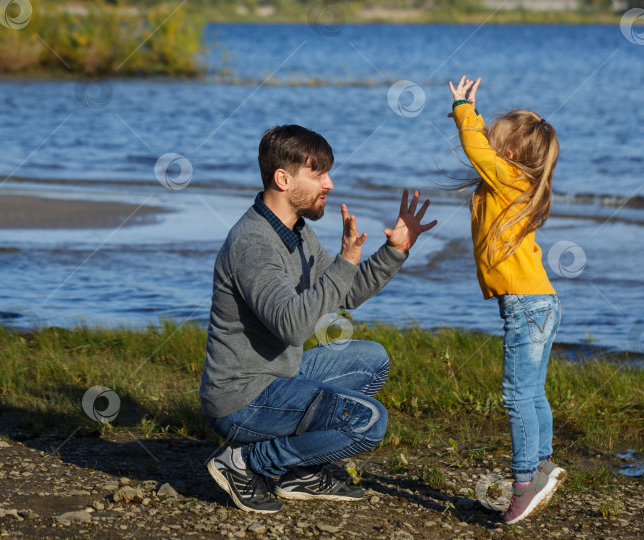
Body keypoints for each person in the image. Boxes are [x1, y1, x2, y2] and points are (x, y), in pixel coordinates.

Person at [200, 124, 437, 513]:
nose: (329, 182)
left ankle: (303, 473)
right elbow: (293, 326)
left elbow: (348, 292)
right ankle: (243, 463)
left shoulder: (297, 233)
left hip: (280, 380)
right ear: (283, 178)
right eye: (318, 173)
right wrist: (343, 262)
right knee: (369, 422)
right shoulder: (253, 244)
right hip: (242, 401)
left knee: (372, 358)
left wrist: (394, 250)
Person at [447, 76, 566, 524]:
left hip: (526, 305)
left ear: (511, 155)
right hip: (541, 302)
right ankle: (542, 465)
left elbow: (477, 150)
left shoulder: (509, 179)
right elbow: (481, 154)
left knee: (517, 396)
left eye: (496, 143)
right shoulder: (514, 183)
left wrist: (463, 109)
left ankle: (523, 484)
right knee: (533, 392)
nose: (487, 149)